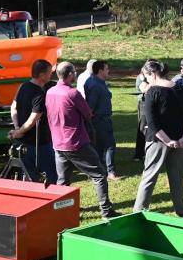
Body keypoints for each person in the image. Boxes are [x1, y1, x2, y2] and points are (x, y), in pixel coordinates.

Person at [45, 61, 120, 219]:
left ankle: (61, 213)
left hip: (58, 143)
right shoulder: (72, 93)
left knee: (62, 181)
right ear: (71, 74)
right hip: (75, 142)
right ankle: (106, 211)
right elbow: (88, 113)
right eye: (74, 72)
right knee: (99, 175)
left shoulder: (50, 92)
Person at [134, 60, 183, 217]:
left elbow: (152, 123)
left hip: (158, 142)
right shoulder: (179, 88)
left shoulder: (152, 92)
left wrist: (168, 140)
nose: (146, 80)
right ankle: (182, 213)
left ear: (153, 74)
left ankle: (138, 212)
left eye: (146, 76)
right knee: (177, 179)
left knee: (149, 177)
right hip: (179, 141)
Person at [8, 59, 58, 184]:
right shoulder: (39, 94)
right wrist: (19, 131)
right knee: (52, 174)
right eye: (49, 72)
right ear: (41, 75)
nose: (51, 75)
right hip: (39, 143)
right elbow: (33, 119)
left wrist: (17, 129)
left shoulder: (22, 86)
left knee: (27, 177)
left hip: (22, 142)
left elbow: (13, 107)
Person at [84, 60, 120, 180]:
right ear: (100, 71)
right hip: (100, 120)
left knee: (98, 146)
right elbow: (90, 106)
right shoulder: (94, 84)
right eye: (106, 69)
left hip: (101, 119)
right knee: (110, 145)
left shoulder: (98, 82)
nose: (108, 71)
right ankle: (110, 172)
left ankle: (97, 171)